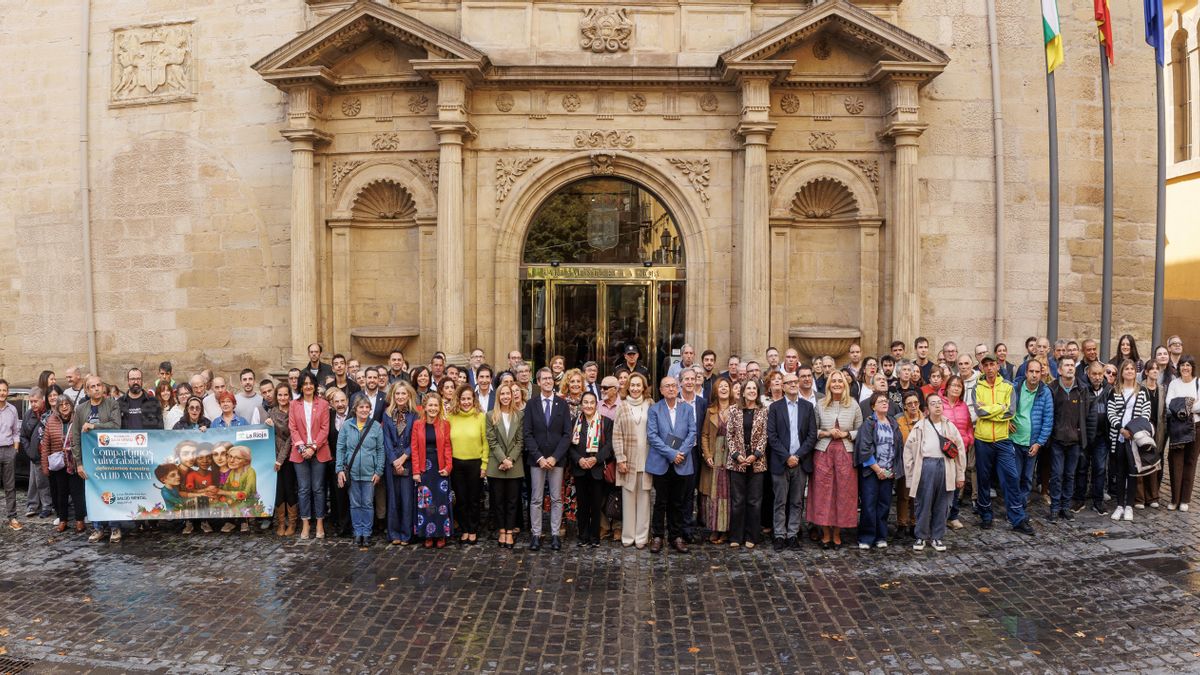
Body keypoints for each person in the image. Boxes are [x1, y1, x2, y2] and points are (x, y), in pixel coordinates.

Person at [973, 353, 1033, 535]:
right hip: (982, 440)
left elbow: (1010, 412)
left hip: (1003, 440)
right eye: (986, 365)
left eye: (992, 364)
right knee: (983, 479)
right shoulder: (977, 387)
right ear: (982, 368)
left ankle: (1017, 518)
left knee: (1011, 478)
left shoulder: (1008, 386)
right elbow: (979, 412)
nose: (989, 368)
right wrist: (1000, 407)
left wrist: (993, 410)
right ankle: (985, 515)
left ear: (997, 366)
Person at [903, 393, 966, 552]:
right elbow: (908, 452)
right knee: (923, 503)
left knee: (943, 504)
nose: (937, 406)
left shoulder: (949, 426)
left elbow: (960, 451)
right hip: (926, 466)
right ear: (926, 409)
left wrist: (960, 474)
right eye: (933, 403)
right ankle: (921, 536)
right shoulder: (920, 427)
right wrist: (910, 477)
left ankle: (937, 537)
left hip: (946, 466)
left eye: (939, 403)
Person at [809, 371, 863, 548]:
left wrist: (846, 434)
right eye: (834, 381)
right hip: (823, 453)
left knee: (843, 493)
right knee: (823, 493)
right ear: (829, 385)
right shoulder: (820, 404)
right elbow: (812, 430)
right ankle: (825, 533)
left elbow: (861, 430)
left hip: (846, 453)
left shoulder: (853, 405)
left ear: (845, 384)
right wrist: (826, 433)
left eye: (840, 381)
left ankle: (838, 533)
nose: (837, 384)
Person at [766, 372, 817, 551]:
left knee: (796, 501)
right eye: (789, 382)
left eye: (796, 381)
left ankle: (793, 534)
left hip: (801, 462)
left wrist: (798, 456)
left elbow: (812, 435)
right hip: (781, 462)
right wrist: (787, 457)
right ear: (783, 386)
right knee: (780, 501)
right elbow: (772, 436)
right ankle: (779, 535)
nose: (794, 384)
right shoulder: (775, 407)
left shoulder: (808, 407)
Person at [646, 376, 696, 554]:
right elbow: (652, 436)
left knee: (678, 502)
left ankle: (676, 537)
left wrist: (680, 453)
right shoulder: (654, 409)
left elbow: (692, 433)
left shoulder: (687, 408)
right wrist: (671, 454)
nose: (671, 388)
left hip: (682, 462)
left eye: (674, 385)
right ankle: (658, 536)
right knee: (660, 501)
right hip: (661, 462)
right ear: (661, 390)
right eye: (667, 386)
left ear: (678, 388)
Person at [69, 375, 122, 542]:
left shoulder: (112, 404)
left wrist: (94, 426)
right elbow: (75, 437)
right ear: (86, 390)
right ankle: (98, 528)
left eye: (99, 385)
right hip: (90, 459)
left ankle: (115, 527)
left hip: (110, 457)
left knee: (112, 491)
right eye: (92, 386)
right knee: (93, 493)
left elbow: (116, 426)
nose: (97, 388)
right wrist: (79, 463)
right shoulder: (80, 409)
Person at [524, 367, 571, 551]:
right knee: (536, 499)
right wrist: (539, 457)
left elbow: (567, 434)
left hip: (556, 460)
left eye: (550, 378)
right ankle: (536, 534)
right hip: (537, 460)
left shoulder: (562, 404)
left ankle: (555, 534)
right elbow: (527, 434)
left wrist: (554, 457)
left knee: (556, 498)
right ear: (538, 382)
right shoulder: (531, 404)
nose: (548, 381)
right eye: (544, 379)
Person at [336, 393, 385, 550]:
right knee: (355, 504)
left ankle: (367, 532)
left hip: (370, 473)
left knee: (368, 504)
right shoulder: (347, 425)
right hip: (352, 472)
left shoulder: (376, 426)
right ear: (355, 409)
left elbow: (380, 450)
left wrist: (379, 471)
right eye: (361, 407)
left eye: (367, 407)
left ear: (370, 410)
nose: (364, 410)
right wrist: (339, 469)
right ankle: (358, 532)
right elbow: (340, 448)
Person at [854, 392, 902, 549]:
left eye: (886, 401)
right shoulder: (869, 424)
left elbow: (897, 447)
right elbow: (864, 449)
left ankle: (881, 536)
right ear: (873, 406)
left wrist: (891, 469)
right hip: (871, 471)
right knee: (869, 504)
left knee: (884, 505)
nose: (884, 403)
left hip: (888, 471)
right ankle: (866, 537)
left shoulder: (893, 423)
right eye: (880, 401)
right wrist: (877, 470)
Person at [1107, 360, 1152, 522]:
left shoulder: (1142, 391)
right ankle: (1119, 505)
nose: (1130, 371)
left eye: (1132, 368)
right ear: (1121, 372)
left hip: (1135, 438)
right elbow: (1110, 413)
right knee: (1120, 472)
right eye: (1126, 369)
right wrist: (1121, 429)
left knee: (1133, 472)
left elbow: (1146, 413)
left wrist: (1134, 430)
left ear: (1135, 372)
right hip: (1119, 437)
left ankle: (1129, 506)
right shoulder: (1114, 391)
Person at [288, 372, 331, 540]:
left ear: (315, 385)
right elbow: (293, 428)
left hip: (319, 451)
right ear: (300, 386)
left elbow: (325, 429)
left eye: (310, 383)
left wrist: (313, 448)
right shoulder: (294, 404)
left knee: (318, 489)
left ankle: (320, 522)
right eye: (304, 383)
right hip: (300, 453)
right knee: (303, 489)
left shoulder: (323, 404)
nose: (307, 386)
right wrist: (302, 448)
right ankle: (305, 523)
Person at [725, 378, 767, 549]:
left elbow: (765, 435)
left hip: (757, 462)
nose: (751, 391)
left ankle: (752, 536)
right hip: (737, 462)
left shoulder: (763, 410)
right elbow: (729, 434)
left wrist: (755, 455)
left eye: (754, 388)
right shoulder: (734, 410)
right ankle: (736, 535)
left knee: (754, 501)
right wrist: (737, 455)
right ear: (742, 392)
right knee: (737, 501)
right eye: (748, 388)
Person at [568, 391, 614, 547]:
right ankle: (583, 535)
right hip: (580, 469)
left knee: (596, 505)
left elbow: (609, 446)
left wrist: (596, 459)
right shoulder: (574, 422)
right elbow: (569, 446)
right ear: (581, 405)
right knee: (582, 505)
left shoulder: (606, 422)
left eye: (592, 402)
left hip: (597, 469)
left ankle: (595, 537)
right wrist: (579, 459)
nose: (588, 405)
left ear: (596, 404)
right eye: (585, 402)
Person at [612, 372, 653, 549]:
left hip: (647, 458)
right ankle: (628, 536)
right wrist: (620, 458)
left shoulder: (650, 404)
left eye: (638, 385)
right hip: (627, 459)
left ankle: (642, 537)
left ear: (643, 387)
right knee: (628, 499)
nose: (635, 388)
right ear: (628, 387)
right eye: (632, 385)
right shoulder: (622, 406)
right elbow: (617, 435)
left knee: (644, 499)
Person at [1010, 359, 1053, 513]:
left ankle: (1021, 507)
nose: (1034, 375)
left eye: (1037, 372)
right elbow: (1004, 408)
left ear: (1041, 374)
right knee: (1014, 477)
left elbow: (1048, 420)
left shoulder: (1045, 392)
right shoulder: (1015, 388)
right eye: (1031, 371)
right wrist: (1006, 422)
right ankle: (1013, 507)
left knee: (1027, 478)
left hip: (1032, 443)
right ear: (1026, 373)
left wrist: (1039, 443)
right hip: (1014, 441)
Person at [411, 392, 453, 549]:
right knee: (426, 502)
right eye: (430, 405)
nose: (433, 408)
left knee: (441, 502)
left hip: (439, 466)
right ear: (425, 407)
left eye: (436, 405)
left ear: (439, 407)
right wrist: (416, 471)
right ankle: (428, 534)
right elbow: (414, 448)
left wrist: (448, 467)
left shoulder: (445, 424)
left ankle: (441, 534)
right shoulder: (417, 424)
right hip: (424, 467)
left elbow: (448, 446)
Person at [486, 381, 525, 549]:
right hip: (497, 464)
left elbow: (520, 441)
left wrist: (510, 460)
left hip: (515, 465)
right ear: (498, 396)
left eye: (508, 393)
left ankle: (509, 531)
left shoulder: (519, 416)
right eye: (502, 394)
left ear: (512, 396)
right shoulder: (490, 416)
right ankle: (501, 530)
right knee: (498, 501)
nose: (505, 397)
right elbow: (492, 441)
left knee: (512, 501)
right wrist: (503, 460)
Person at [448, 384, 488, 545]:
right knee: (461, 499)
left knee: (474, 499)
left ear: (474, 400)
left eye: (468, 399)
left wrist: (484, 465)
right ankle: (464, 529)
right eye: (463, 399)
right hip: (456, 464)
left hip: (475, 463)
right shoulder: (451, 417)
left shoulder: (481, 417)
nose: (466, 402)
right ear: (458, 400)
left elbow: (486, 443)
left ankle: (473, 529)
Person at [41, 393, 86, 533]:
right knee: (61, 494)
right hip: (58, 464)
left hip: (75, 462)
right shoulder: (51, 420)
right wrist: (45, 466)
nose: (64, 407)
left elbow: (84, 440)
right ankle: (62, 520)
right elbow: (45, 445)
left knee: (77, 493)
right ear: (57, 408)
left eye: (67, 404)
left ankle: (79, 520)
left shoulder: (78, 419)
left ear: (71, 405)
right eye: (61, 405)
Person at [380, 380, 418, 545]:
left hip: (408, 461)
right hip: (392, 462)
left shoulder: (415, 415)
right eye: (398, 393)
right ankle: (394, 533)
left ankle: (407, 534)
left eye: (403, 393)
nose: (400, 396)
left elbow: (415, 440)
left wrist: (404, 458)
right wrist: (394, 460)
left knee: (407, 498)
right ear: (393, 395)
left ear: (409, 395)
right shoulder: (387, 414)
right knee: (393, 498)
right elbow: (386, 439)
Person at [1047, 358, 1085, 521]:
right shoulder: (1052, 388)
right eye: (1066, 365)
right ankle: (1055, 508)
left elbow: (1086, 415)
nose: (1070, 368)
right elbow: (1049, 414)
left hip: (1075, 440)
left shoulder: (1082, 388)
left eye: (1072, 365)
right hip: (1057, 439)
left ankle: (1065, 507)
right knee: (1057, 475)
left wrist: (1083, 436)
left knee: (1070, 475)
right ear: (1059, 370)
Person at [699, 376, 733, 544]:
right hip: (715, 456)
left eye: (726, 386)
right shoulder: (710, 411)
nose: (724, 389)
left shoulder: (736, 409)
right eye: (721, 387)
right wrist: (707, 455)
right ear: (715, 391)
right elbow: (704, 435)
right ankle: (714, 528)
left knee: (728, 493)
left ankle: (725, 529)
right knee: (714, 494)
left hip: (731, 456)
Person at [1166, 356, 1200, 511]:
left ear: (1192, 367)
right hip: (1177, 428)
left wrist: (1181, 405)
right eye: (1182, 365)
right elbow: (1169, 404)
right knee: (1176, 463)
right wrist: (1190, 402)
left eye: (1188, 365)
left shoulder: (1198, 383)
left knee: (1190, 462)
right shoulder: (1174, 383)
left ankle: (1185, 500)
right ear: (1178, 367)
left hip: (1195, 427)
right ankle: (1175, 499)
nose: (1185, 368)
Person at [942, 375, 975, 528]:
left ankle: (953, 516)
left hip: (959, 452)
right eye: (953, 385)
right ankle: (939, 515)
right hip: (942, 451)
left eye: (959, 386)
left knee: (957, 484)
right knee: (942, 485)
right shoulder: (940, 403)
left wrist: (968, 440)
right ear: (947, 387)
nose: (956, 388)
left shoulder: (963, 406)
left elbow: (969, 426)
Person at [267, 384, 298, 536]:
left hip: (291, 456)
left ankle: (292, 523)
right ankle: (280, 523)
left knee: (290, 489)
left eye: (285, 395)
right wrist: (269, 426)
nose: (283, 398)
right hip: (275, 457)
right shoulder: (271, 412)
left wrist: (280, 459)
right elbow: (271, 437)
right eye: (280, 395)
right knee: (279, 490)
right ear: (276, 396)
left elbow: (291, 437)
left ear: (289, 396)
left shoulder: (294, 411)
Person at [19, 386, 53, 520]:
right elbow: (23, 436)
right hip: (35, 454)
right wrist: (30, 451)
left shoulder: (49, 413)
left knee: (43, 481)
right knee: (36, 481)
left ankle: (46, 506)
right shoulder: (28, 414)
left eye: (35, 401)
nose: (33, 404)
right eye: (31, 401)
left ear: (42, 400)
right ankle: (36, 506)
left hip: (48, 454)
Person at [1137, 360, 1166, 509]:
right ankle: (1139, 498)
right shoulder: (1139, 388)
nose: (1155, 371)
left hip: (1158, 429)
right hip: (1143, 428)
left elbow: (1164, 412)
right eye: (1152, 369)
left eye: (1157, 369)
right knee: (1141, 461)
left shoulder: (1162, 389)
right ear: (1146, 372)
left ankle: (1153, 497)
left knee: (1154, 462)